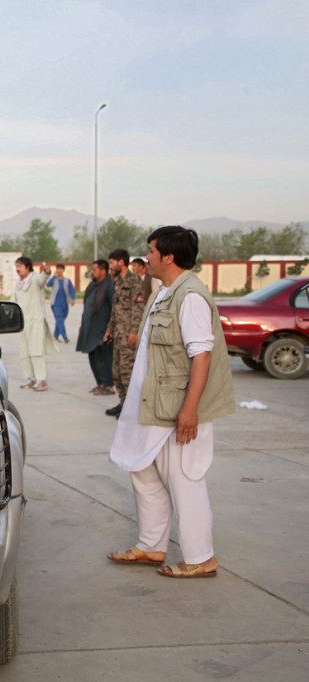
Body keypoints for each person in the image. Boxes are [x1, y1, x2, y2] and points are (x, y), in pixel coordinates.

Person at [108, 226, 234, 579]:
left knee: (184, 478)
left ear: (168, 256)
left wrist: (190, 410)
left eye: (150, 251)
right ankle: (151, 545)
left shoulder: (190, 296)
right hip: (154, 405)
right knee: (143, 469)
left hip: (179, 408)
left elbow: (202, 356)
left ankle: (200, 557)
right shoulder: (163, 292)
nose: (145, 257)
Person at [103, 249, 146, 418]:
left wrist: (134, 331)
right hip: (119, 334)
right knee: (117, 373)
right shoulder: (118, 282)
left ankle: (131, 408)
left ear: (121, 262)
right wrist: (110, 330)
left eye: (112, 263)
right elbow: (116, 309)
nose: (111, 266)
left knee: (127, 373)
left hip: (129, 334)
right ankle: (123, 403)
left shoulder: (134, 281)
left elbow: (138, 308)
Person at [10, 256, 59, 391]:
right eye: (16, 266)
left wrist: (46, 272)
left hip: (36, 322)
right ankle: (29, 379)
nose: (17, 269)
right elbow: (12, 301)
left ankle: (41, 380)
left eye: (20, 266)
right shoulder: (18, 284)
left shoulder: (35, 279)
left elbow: (43, 278)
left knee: (36, 351)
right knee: (24, 352)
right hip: (22, 323)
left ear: (27, 267)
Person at [76, 260, 115, 395]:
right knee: (93, 357)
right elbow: (87, 306)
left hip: (103, 329)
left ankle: (109, 385)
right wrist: (83, 325)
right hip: (90, 328)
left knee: (104, 358)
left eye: (94, 270)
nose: (92, 272)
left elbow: (114, 309)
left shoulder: (110, 286)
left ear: (103, 271)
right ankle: (100, 383)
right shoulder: (92, 286)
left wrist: (110, 329)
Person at [45, 263, 76, 343]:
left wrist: (73, 298)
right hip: (55, 303)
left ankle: (55, 336)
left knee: (61, 319)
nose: (59, 270)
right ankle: (65, 337)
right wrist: (53, 276)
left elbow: (72, 290)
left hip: (65, 303)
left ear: (63, 270)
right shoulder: (54, 279)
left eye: (61, 269)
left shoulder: (67, 280)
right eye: (58, 269)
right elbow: (48, 284)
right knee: (59, 319)